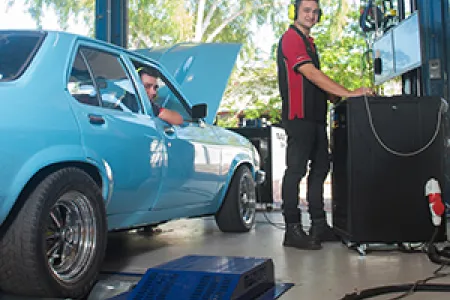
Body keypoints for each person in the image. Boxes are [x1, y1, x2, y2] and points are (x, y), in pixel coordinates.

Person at [276, 0, 375, 250]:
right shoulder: (291, 38)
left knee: (321, 168)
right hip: (299, 117)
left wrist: (333, 95)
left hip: (316, 117)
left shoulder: (310, 43)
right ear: (295, 13)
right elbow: (309, 73)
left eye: (315, 12)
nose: (311, 15)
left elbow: (313, 82)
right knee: (296, 170)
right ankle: (292, 229)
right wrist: (350, 93)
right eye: (306, 10)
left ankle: (318, 224)